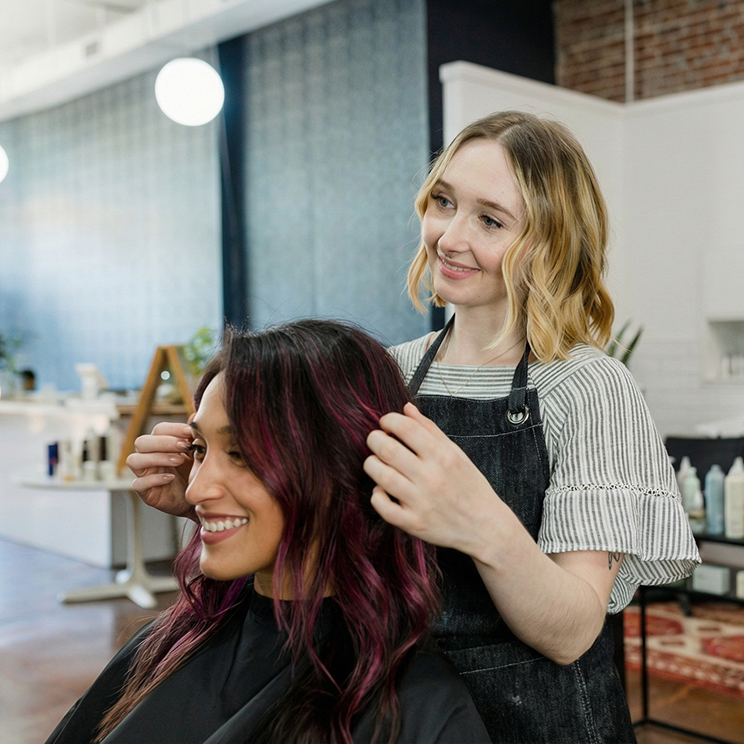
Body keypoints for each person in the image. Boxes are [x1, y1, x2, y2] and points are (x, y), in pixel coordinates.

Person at [360, 110, 700, 743]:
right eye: (443, 202)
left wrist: (475, 518)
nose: (449, 237)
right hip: (406, 719)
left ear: (551, 243)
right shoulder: (384, 374)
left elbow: (572, 632)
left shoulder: (588, 387)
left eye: (490, 220)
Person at [46, 320, 491, 744]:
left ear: (339, 467)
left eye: (241, 453)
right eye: (199, 448)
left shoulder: (422, 709)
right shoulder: (171, 644)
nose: (195, 489)